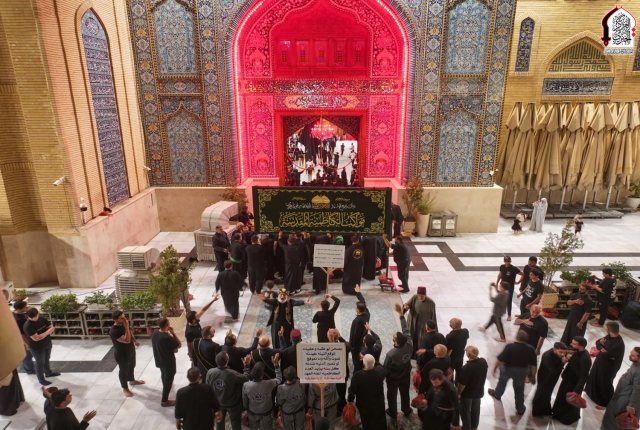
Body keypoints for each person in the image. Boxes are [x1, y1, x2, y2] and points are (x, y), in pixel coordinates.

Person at [487, 330, 537, 415]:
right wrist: (532, 376)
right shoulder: (531, 348)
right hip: (522, 371)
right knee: (519, 389)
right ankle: (520, 408)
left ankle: (497, 394)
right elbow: (534, 365)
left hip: (508, 369)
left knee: (502, 382)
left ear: (516, 337)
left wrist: (495, 368)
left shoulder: (510, 347)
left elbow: (500, 359)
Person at [206, 352, 252, 430]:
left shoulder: (210, 372)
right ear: (227, 361)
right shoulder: (232, 374)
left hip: (218, 403)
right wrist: (246, 366)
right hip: (232, 403)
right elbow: (245, 378)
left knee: (219, 421)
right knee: (235, 422)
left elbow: (208, 387)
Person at [552, 336, 591, 425]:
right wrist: (565, 372)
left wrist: (577, 390)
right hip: (567, 379)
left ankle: (566, 418)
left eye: (574, 344)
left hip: (574, 384)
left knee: (570, 403)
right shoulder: (576, 352)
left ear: (581, 346)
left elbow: (584, 376)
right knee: (561, 397)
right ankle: (557, 414)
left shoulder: (585, 358)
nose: (571, 344)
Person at [384, 303, 413, 420]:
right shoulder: (409, 344)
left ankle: (392, 412)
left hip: (393, 378)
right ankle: (406, 409)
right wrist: (401, 314)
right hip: (405, 374)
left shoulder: (391, 354)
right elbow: (405, 329)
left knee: (392, 395)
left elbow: (386, 369)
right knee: (405, 393)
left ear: (395, 341)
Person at [585, 321, 625, 408]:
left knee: (604, 382)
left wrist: (602, 347)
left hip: (609, 366)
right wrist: (602, 348)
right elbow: (598, 342)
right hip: (601, 362)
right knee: (595, 375)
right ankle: (590, 392)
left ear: (609, 329)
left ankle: (606, 403)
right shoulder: (609, 336)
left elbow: (607, 354)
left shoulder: (618, 344)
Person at [601, 347, 640, 430]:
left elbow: (637, 390)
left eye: (633, 355)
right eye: (631, 353)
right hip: (620, 395)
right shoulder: (635, 364)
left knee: (617, 419)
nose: (629, 356)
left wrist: (631, 405)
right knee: (610, 415)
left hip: (625, 400)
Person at [109, 311, 144, 397]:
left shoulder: (123, 324)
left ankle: (132, 380)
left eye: (124, 317)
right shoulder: (114, 331)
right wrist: (127, 326)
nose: (125, 319)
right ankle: (125, 388)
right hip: (122, 354)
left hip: (130, 350)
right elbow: (127, 340)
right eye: (122, 318)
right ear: (115, 320)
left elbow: (130, 332)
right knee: (123, 371)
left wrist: (135, 340)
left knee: (132, 365)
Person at [348, 354, 387, 430]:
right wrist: (371, 360)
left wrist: (350, 400)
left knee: (367, 421)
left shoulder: (357, 376)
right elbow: (381, 366)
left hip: (364, 404)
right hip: (378, 402)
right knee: (380, 419)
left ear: (363, 363)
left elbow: (353, 390)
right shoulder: (380, 372)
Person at [242, 356, 281, 430]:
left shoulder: (246, 385)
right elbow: (279, 378)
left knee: (253, 427)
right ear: (262, 374)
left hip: (253, 411)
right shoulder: (269, 383)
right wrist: (276, 365)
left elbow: (245, 400)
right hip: (267, 411)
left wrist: (247, 408)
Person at [23, 307, 59, 386]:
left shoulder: (42, 319)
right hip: (37, 347)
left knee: (47, 359)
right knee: (39, 363)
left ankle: (48, 373)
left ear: (38, 314)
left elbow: (52, 328)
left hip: (47, 343)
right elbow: (36, 338)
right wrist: (48, 332)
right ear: (28, 316)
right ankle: (41, 379)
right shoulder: (28, 326)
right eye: (31, 317)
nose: (34, 318)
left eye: (35, 316)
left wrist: (43, 334)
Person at [531, 342, 568, 416]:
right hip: (545, 378)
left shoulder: (557, 353)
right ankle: (537, 412)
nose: (563, 354)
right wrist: (562, 363)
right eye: (561, 352)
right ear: (554, 349)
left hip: (551, 378)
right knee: (542, 393)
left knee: (547, 394)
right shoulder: (547, 356)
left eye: (564, 352)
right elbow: (554, 371)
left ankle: (545, 410)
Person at [151, 317, 181, 407]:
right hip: (168, 362)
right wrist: (173, 333)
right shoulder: (167, 337)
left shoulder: (155, 332)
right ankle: (164, 400)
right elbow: (178, 344)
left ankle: (165, 387)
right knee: (169, 379)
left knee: (164, 374)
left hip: (159, 359)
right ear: (168, 324)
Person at [457, 346, 487, 430]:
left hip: (468, 394)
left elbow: (462, 384)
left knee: (465, 411)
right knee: (476, 410)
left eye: (466, 351)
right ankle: (474, 427)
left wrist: (458, 393)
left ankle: (466, 428)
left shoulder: (467, 368)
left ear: (468, 355)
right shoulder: (483, 362)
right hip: (478, 391)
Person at [402, 286, 437, 357]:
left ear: (425, 295)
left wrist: (433, 329)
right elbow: (407, 304)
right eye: (419, 295)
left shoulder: (431, 303)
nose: (420, 297)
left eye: (422, 296)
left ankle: (418, 356)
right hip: (412, 323)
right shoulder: (415, 297)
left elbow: (433, 315)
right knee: (411, 338)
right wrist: (406, 307)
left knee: (420, 340)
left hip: (422, 325)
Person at [185, 295, 219, 366]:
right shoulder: (190, 332)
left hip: (201, 343)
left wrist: (213, 300)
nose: (199, 316)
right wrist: (191, 355)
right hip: (197, 349)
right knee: (197, 364)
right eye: (197, 316)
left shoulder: (194, 322)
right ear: (193, 320)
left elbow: (203, 309)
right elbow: (189, 345)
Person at [328, 328, 352, 414]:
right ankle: (341, 407)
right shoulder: (344, 346)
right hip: (343, 373)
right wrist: (340, 337)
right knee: (342, 392)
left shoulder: (327, 348)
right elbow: (349, 345)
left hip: (333, 375)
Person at [349, 286, 370, 370]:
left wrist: (352, 345)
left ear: (358, 310)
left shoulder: (357, 321)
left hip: (357, 344)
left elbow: (355, 335)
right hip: (364, 337)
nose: (354, 307)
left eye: (356, 307)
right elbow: (363, 301)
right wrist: (358, 292)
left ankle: (357, 368)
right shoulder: (367, 313)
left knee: (356, 357)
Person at [495, 256, 522, 321]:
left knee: (509, 301)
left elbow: (523, 274)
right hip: (502, 286)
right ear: (504, 261)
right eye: (506, 261)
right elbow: (500, 275)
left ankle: (509, 315)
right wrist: (497, 282)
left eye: (508, 261)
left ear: (510, 261)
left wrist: (518, 282)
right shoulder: (502, 267)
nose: (507, 263)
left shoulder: (514, 269)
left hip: (510, 287)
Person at [12, 301, 35, 374]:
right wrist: (26, 343)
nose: (28, 307)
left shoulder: (17, 314)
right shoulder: (18, 320)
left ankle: (29, 367)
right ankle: (30, 370)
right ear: (19, 308)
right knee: (27, 355)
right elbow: (21, 333)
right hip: (23, 339)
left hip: (25, 337)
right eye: (26, 307)